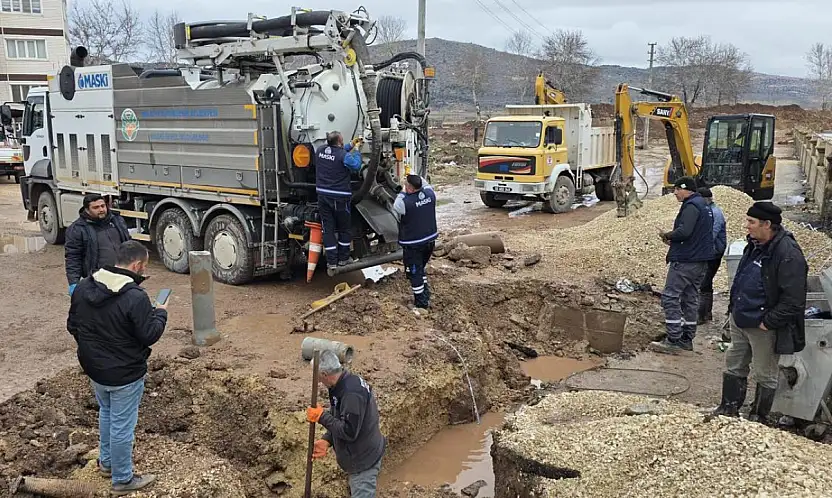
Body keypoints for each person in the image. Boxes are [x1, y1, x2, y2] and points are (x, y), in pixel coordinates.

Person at [66, 241, 168, 495]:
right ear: (137, 266)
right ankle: (122, 479)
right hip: (124, 373)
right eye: (143, 267)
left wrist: (93, 350)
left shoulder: (84, 286)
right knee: (122, 425)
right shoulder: (135, 297)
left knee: (107, 413)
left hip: (94, 368)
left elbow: (73, 326)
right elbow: (149, 334)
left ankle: (107, 463)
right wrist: (161, 313)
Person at [711, 202, 807, 422]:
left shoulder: (788, 254)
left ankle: (758, 417)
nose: (747, 226)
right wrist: (732, 311)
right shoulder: (754, 245)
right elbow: (742, 279)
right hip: (741, 318)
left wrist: (768, 322)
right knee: (734, 363)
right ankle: (729, 409)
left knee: (765, 373)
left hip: (762, 325)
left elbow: (794, 300)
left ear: (768, 224)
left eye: (751, 222)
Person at [307, 350, 385, 498]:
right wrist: (327, 440)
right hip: (361, 452)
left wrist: (322, 416)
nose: (316, 381)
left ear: (324, 374)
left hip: (363, 462)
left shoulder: (351, 394)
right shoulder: (342, 384)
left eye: (316, 376)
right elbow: (340, 416)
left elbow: (349, 431)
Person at [651, 176, 714, 354]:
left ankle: (673, 339)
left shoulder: (692, 206)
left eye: (678, 189)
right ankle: (687, 338)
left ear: (687, 189)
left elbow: (685, 231)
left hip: (686, 261)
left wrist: (669, 235)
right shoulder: (703, 206)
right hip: (699, 261)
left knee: (670, 297)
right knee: (690, 298)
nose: (675, 193)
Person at [315, 131, 364, 271]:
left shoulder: (320, 151)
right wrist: (357, 150)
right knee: (344, 228)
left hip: (323, 196)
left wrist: (351, 144)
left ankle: (331, 262)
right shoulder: (344, 156)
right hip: (340, 197)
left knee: (328, 229)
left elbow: (335, 153)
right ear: (339, 141)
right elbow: (355, 165)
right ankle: (343, 259)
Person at [65, 193, 130, 296]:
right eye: (96, 207)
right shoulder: (78, 229)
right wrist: (73, 282)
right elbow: (73, 257)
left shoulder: (117, 220)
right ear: (87, 209)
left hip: (122, 276)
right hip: (98, 280)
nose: (101, 209)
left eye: (103, 206)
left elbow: (128, 243)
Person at [393, 174, 438, 309]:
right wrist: (412, 175)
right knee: (420, 268)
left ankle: (421, 303)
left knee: (414, 272)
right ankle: (425, 292)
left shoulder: (404, 203)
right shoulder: (430, 194)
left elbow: (395, 205)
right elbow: (424, 183)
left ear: (410, 188)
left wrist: (402, 191)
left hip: (414, 243)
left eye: (407, 185)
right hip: (430, 240)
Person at [697, 187, 727, 324]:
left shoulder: (714, 214)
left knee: (703, 282)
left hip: (713, 253)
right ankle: (707, 313)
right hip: (714, 251)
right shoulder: (711, 211)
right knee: (707, 282)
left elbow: (710, 236)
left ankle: (701, 315)